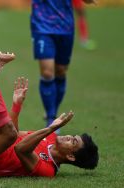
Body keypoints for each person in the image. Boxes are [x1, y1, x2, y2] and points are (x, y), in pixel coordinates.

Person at [30, 0, 95, 132]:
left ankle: (53, 109)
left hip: (65, 27)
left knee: (60, 71)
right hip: (42, 26)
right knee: (47, 73)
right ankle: (51, 117)